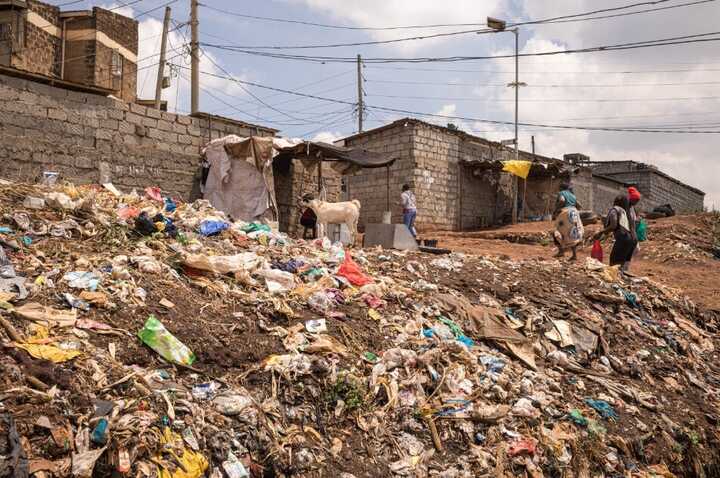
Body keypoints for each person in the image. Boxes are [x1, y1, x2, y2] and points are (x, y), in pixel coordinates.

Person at [594, 194, 636, 272]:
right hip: (631, 240)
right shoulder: (625, 212)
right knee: (621, 263)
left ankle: (616, 280)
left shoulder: (615, 210)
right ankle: (621, 278)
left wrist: (600, 232)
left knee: (613, 262)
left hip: (623, 239)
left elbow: (613, 225)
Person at [552, 182, 584, 261]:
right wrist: (573, 209)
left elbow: (562, 200)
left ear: (561, 188)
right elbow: (579, 206)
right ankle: (574, 255)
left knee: (557, 231)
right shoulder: (573, 195)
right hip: (574, 213)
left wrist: (556, 210)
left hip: (565, 213)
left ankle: (561, 251)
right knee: (572, 233)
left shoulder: (561, 193)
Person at [626, 186, 642, 264]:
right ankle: (623, 269)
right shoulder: (626, 207)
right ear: (631, 199)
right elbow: (629, 221)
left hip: (632, 232)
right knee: (627, 251)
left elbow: (633, 219)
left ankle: (624, 268)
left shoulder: (632, 207)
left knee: (634, 250)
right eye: (636, 200)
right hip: (627, 232)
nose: (637, 202)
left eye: (637, 200)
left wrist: (637, 219)